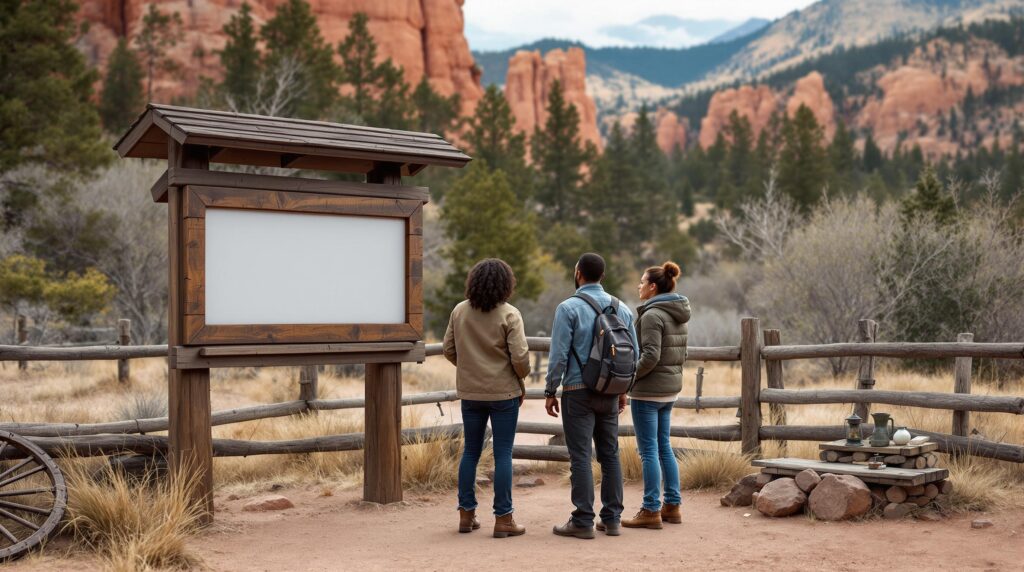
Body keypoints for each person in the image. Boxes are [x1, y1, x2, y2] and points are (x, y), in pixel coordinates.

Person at [544, 253, 638, 539]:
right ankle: (612, 519)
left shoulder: (568, 308)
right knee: (610, 454)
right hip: (610, 392)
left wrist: (550, 390)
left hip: (577, 390)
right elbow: (633, 354)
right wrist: (623, 390)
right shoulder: (622, 309)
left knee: (581, 457)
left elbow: (559, 354)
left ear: (578, 273)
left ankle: (583, 520)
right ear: (602, 275)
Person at [443, 258, 531, 539]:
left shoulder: (460, 311)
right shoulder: (510, 314)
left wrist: (469, 368)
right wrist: (521, 377)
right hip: (504, 392)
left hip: (471, 392)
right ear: (506, 284)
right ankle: (504, 519)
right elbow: (520, 358)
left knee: (471, 451)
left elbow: (448, 348)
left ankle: (466, 515)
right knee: (503, 453)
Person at [622, 261, 690, 529]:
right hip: (669, 390)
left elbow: (650, 355)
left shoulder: (652, 315)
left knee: (648, 451)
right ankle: (672, 506)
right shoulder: (678, 313)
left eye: (642, 282)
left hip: (648, 392)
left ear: (652, 287)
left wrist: (629, 379)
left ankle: (651, 509)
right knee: (663, 448)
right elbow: (683, 354)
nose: (638, 286)